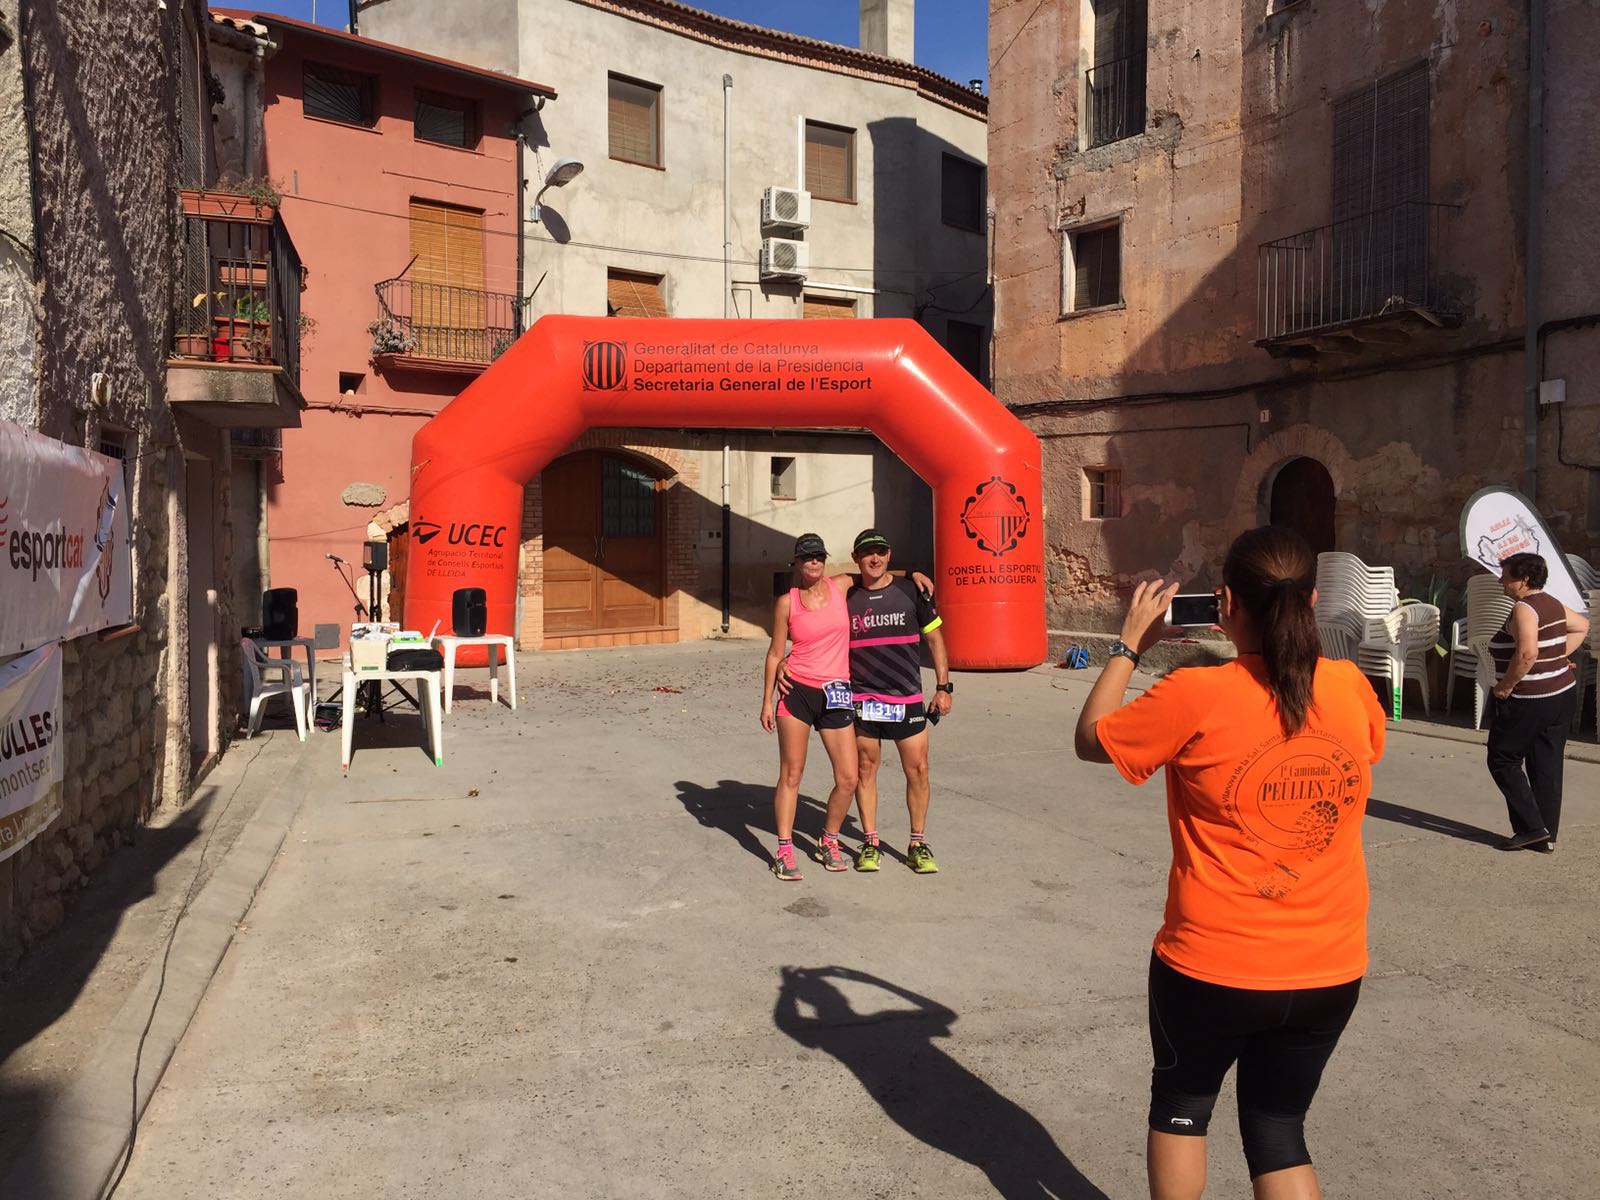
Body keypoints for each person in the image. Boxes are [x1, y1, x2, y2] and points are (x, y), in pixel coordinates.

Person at [1072, 526, 1386, 1200]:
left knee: (1182, 1111)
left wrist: (1129, 646)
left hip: (1213, 964)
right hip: (1329, 966)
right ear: (1313, 600)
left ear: (1225, 603)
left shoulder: (1197, 691)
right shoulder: (1352, 686)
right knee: (1279, 1130)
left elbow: (1092, 739)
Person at [843, 528, 951, 874]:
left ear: (889, 555)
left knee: (918, 770)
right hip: (863, 697)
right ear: (856, 558)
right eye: (867, 553)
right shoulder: (846, 596)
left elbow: (935, 640)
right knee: (865, 768)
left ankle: (917, 843)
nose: (875, 558)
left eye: (881, 552)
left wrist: (944, 687)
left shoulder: (911, 591)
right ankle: (870, 841)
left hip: (907, 697)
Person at [761, 533, 859, 881]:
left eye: (818, 556)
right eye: (807, 557)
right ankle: (784, 850)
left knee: (848, 778)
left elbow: (875, 572)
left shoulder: (841, 586)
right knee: (791, 774)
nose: (814, 562)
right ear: (797, 563)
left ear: (825, 560)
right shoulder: (786, 603)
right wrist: (767, 701)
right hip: (797, 692)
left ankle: (828, 840)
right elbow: (775, 653)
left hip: (836, 693)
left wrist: (915, 574)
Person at [1486, 552, 1589, 853]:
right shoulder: (1552, 603)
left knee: (1502, 758)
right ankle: (1545, 836)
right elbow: (1581, 625)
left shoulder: (1525, 608)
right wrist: (1557, 658)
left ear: (1524, 580)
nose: (1501, 581)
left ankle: (1532, 828)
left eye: (1506, 576)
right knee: (1546, 763)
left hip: (1530, 698)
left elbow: (1527, 653)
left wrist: (1506, 686)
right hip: (1561, 694)